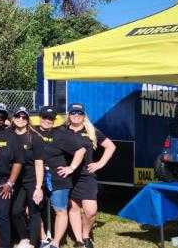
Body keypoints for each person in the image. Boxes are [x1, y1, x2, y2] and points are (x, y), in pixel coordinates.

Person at [34, 106, 86, 248]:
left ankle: (55, 243)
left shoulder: (61, 133)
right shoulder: (33, 131)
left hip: (58, 177)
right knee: (32, 209)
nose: (47, 120)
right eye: (45, 117)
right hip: (36, 177)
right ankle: (43, 238)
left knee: (60, 210)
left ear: (55, 119)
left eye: (51, 118)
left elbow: (81, 150)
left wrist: (72, 168)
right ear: (40, 117)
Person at [66, 103, 116, 248]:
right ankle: (79, 240)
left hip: (86, 176)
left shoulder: (91, 130)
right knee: (74, 207)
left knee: (91, 210)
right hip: (68, 175)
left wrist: (100, 163)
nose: (76, 115)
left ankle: (86, 234)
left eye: (79, 113)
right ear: (69, 115)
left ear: (84, 115)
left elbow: (110, 146)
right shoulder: (62, 130)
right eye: (73, 113)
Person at [0, 103, 23, 248]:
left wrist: (10, 183)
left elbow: (18, 161)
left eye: (3, 116)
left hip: (3, 182)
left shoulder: (12, 136)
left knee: (1, 215)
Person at [11, 107, 45, 248]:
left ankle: (32, 243)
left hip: (32, 180)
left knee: (34, 212)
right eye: (18, 116)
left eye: (24, 117)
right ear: (13, 118)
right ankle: (24, 238)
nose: (20, 119)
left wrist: (38, 187)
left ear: (27, 120)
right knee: (16, 211)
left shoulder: (34, 137)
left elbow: (39, 163)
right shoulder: (8, 135)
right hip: (16, 181)